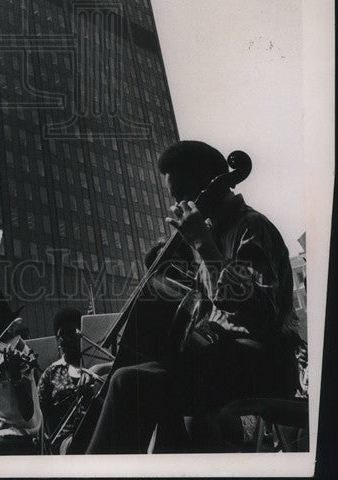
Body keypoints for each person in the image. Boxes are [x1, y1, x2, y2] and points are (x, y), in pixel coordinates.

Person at [85, 140, 301, 454]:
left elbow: (260, 316)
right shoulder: (206, 236)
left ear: (209, 184)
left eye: (184, 197)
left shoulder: (251, 227)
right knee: (137, 378)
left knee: (129, 384)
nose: (181, 208)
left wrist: (203, 244)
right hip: (222, 360)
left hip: (265, 361)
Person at [37, 307, 108, 453]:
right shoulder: (50, 374)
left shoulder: (96, 364)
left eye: (72, 333)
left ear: (81, 335)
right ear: (57, 339)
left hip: (100, 429)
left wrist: (97, 369)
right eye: (62, 335)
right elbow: (41, 421)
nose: (67, 339)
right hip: (67, 440)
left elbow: (121, 363)